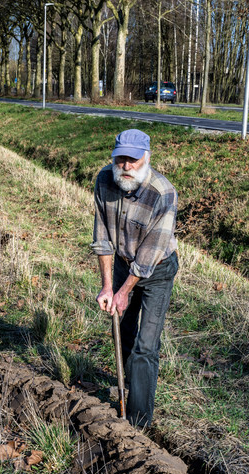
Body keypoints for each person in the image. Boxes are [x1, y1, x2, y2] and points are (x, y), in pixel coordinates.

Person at [92, 128, 178, 428]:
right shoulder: (105, 180)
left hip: (157, 269)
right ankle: (129, 389)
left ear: (146, 158)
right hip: (123, 260)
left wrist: (125, 290)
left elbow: (148, 258)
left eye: (133, 159)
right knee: (123, 333)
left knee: (145, 345)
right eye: (120, 159)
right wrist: (108, 286)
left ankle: (139, 424)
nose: (126, 166)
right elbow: (102, 238)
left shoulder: (163, 193)